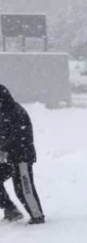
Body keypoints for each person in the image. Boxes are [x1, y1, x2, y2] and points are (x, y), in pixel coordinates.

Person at [0, 85, 45, 225]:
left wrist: (3, 148)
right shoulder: (2, 113)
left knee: (24, 189)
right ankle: (10, 210)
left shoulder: (16, 112)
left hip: (21, 157)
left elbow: (18, 136)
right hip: (7, 157)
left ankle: (37, 216)